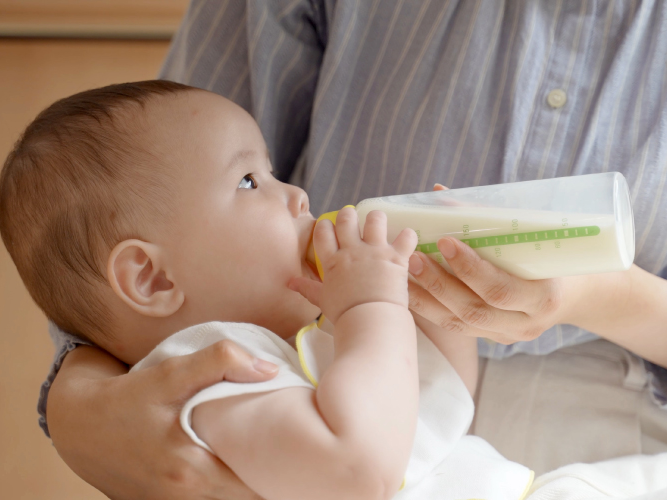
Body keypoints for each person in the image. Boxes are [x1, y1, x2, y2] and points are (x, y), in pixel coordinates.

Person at [39, 1, 667, 498]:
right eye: (251, 181)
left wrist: (421, 292)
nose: (297, 194)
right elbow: (357, 473)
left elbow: (442, 408)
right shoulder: (218, 378)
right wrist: (373, 307)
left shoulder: (312, 340)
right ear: (150, 279)